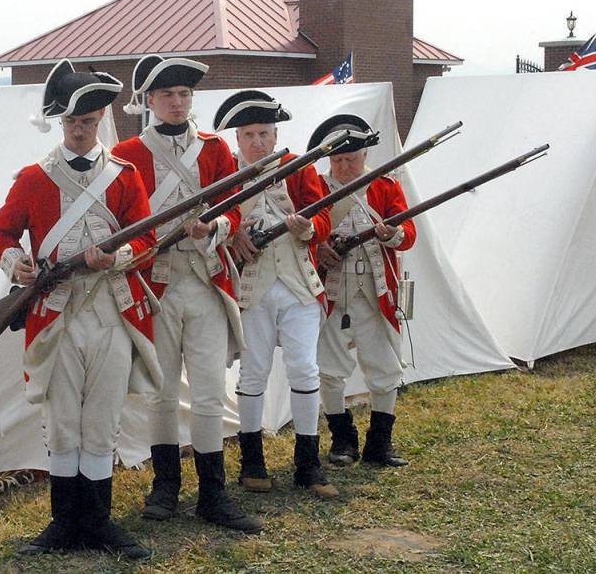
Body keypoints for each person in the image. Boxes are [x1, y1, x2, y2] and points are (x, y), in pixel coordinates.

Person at [0, 59, 162, 559]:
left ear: (102, 120)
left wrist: (118, 255)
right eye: (71, 124)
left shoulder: (124, 177)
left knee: (102, 418)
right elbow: (0, 232)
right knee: (62, 419)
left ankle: (99, 522)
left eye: (87, 123)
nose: (80, 132)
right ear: (60, 124)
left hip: (110, 307)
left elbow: (147, 237)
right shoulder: (34, 178)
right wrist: (17, 262)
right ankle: (65, 522)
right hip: (56, 312)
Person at [112, 55, 261, 533]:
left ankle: (213, 494)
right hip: (156, 284)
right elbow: (122, 220)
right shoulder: (129, 154)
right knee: (161, 391)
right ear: (150, 102)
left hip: (204, 279)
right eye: (167, 96)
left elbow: (232, 208)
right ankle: (165, 486)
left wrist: (215, 225)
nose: (177, 103)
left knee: (209, 392)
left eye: (184, 95)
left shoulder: (214, 148)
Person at [214, 91, 338, 499]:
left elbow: (323, 212)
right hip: (251, 289)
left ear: (275, 133)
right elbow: (212, 222)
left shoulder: (296, 167)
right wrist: (233, 236)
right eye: (249, 134)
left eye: (264, 133)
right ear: (237, 139)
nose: (258, 143)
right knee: (253, 373)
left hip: (299, 284)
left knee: (305, 369)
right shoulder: (224, 174)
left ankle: (308, 462)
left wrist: (308, 228)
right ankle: (252, 461)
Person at [308, 114, 417, 468]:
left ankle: (380, 443)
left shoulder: (384, 187)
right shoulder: (317, 189)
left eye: (350, 159)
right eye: (337, 160)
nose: (343, 166)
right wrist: (320, 248)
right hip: (333, 295)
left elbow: (408, 234)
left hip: (375, 293)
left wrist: (391, 234)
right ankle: (343, 440)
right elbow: (304, 236)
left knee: (384, 368)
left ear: (364, 156)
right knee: (329, 369)